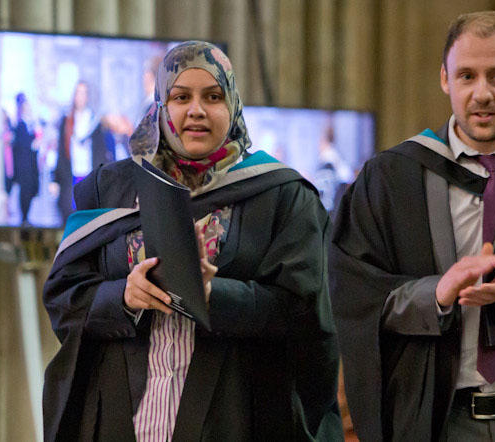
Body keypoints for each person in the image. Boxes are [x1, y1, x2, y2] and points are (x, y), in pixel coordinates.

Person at [43, 41, 341, 441]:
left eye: (213, 96)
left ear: (233, 105)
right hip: (122, 417)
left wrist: (212, 294)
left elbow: (304, 314)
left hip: (232, 419)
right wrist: (123, 296)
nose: (196, 110)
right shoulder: (109, 188)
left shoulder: (283, 197)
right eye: (180, 97)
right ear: (161, 105)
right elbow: (65, 298)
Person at [330, 11, 495, 441]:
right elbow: (354, 293)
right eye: (467, 75)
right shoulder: (392, 177)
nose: (482, 93)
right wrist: (435, 293)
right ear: (444, 78)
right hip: (438, 422)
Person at [54, 81, 116, 222]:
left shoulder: (94, 121)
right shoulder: (66, 121)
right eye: (78, 93)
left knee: (88, 219)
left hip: (88, 176)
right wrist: (55, 180)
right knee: (70, 218)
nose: (80, 97)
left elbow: (101, 152)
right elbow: (60, 153)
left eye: (84, 93)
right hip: (71, 177)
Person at [10, 92, 38, 226]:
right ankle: (24, 218)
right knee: (25, 192)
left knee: (31, 190)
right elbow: (21, 145)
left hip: (30, 166)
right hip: (24, 166)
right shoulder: (20, 125)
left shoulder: (29, 124)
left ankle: (26, 217)